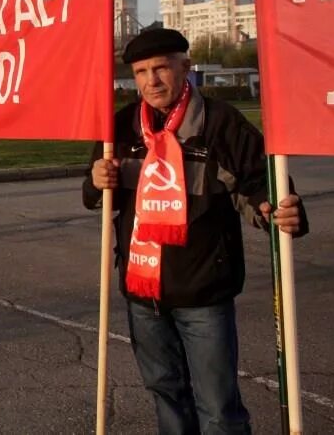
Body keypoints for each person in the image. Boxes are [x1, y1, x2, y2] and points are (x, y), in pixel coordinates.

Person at [82, 28, 308, 433]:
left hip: (203, 294)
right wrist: (97, 182)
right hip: (142, 295)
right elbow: (95, 197)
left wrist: (279, 210)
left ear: (185, 67)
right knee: (166, 396)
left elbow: (263, 185)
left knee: (218, 408)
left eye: (161, 68)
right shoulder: (122, 128)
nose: (151, 81)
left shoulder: (220, 122)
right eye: (141, 72)